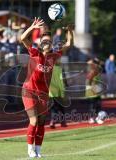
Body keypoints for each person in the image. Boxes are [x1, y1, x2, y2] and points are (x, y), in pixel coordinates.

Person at [20, 17, 73, 158]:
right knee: (34, 121)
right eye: (45, 41)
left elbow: (68, 44)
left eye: (49, 41)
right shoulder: (34, 53)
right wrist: (32, 27)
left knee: (42, 122)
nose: (47, 43)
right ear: (41, 43)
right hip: (29, 91)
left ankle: (38, 150)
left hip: (43, 93)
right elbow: (22, 38)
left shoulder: (54, 56)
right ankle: (30, 149)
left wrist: (70, 31)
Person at [49, 59, 67, 129]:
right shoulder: (60, 68)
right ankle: (62, 122)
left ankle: (53, 121)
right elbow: (64, 79)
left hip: (51, 91)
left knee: (54, 108)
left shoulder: (48, 69)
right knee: (61, 107)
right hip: (60, 90)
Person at [86, 58, 103, 124]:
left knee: (98, 105)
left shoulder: (98, 71)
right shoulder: (92, 71)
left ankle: (97, 117)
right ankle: (91, 118)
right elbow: (88, 82)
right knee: (92, 105)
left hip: (97, 90)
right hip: (92, 91)